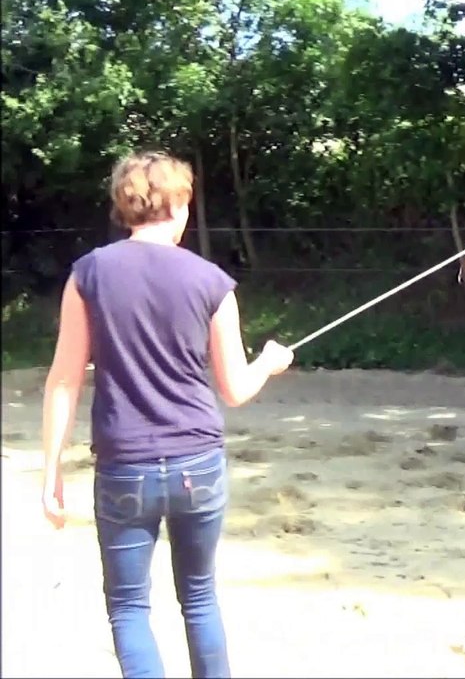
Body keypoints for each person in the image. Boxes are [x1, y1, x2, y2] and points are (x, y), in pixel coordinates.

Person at [40, 150, 295, 678]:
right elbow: (234, 389)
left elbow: (64, 378)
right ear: (177, 204)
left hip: (124, 468)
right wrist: (268, 363)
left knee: (130, 610)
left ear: (126, 206)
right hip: (198, 464)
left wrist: (51, 474)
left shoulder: (88, 274)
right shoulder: (211, 281)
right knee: (200, 600)